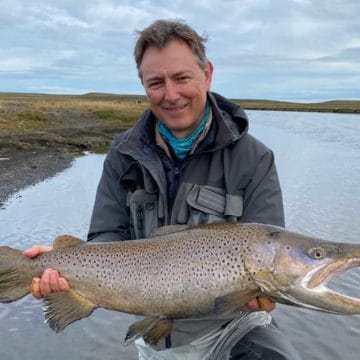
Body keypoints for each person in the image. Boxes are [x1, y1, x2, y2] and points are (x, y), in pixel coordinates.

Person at [24, 19, 301, 359]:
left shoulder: (255, 159)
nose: (171, 95)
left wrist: (269, 291)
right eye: (156, 83)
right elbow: (107, 236)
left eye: (182, 78)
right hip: (156, 334)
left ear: (207, 73)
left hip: (233, 328)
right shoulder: (122, 155)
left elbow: (271, 248)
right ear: (144, 86)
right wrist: (64, 266)